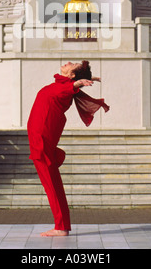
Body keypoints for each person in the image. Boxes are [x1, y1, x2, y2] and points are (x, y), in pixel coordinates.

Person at [27, 60, 109, 237]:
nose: (69, 62)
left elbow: (65, 91)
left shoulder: (65, 89)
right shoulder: (61, 85)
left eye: (73, 65)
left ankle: (61, 227)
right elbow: (65, 87)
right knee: (52, 184)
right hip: (39, 142)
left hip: (42, 143)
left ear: (72, 75)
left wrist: (77, 83)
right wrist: (80, 81)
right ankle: (61, 225)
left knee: (52, 186)